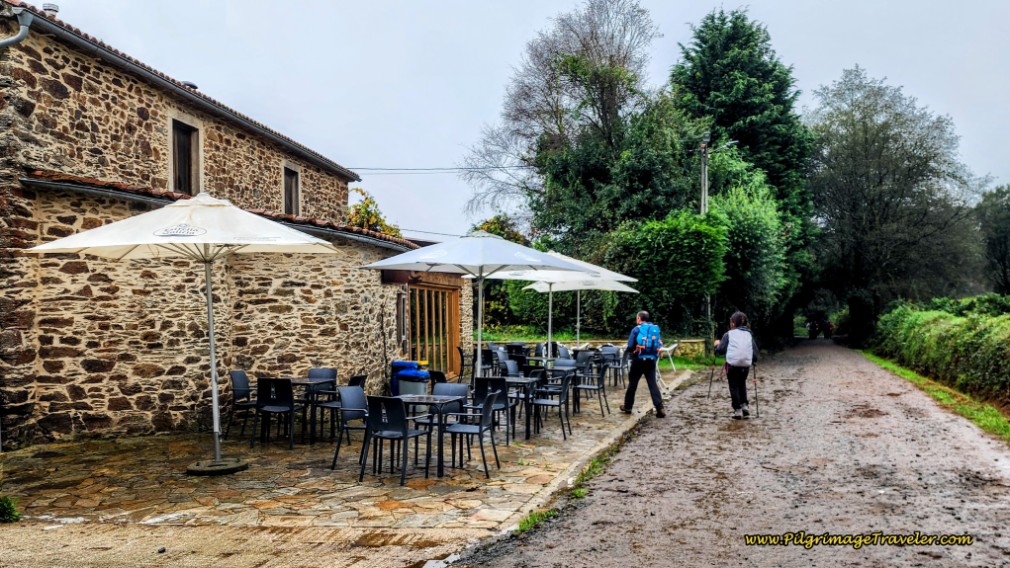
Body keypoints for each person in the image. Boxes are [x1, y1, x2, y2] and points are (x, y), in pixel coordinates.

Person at [619, 310, 666, 418]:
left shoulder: (636, 329)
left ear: (639, 318)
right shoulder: (653, 329)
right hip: (651, 360)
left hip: (638, 360)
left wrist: (632, 351)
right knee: (652, 383)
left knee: (633, 384)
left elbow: (630, 346)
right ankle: (660, 408)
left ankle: (628, 406)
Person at [713, 311, 759, 419]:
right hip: (745, 365)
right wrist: (754, 361)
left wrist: (716, 345)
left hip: (732, 365)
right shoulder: (749, 334)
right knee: (742, 383)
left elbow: (721, 350)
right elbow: (755, 350)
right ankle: (745, 405)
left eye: (731, 322)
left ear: (733, 323)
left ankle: (737, 410)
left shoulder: (728, 334)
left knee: (733, 386)